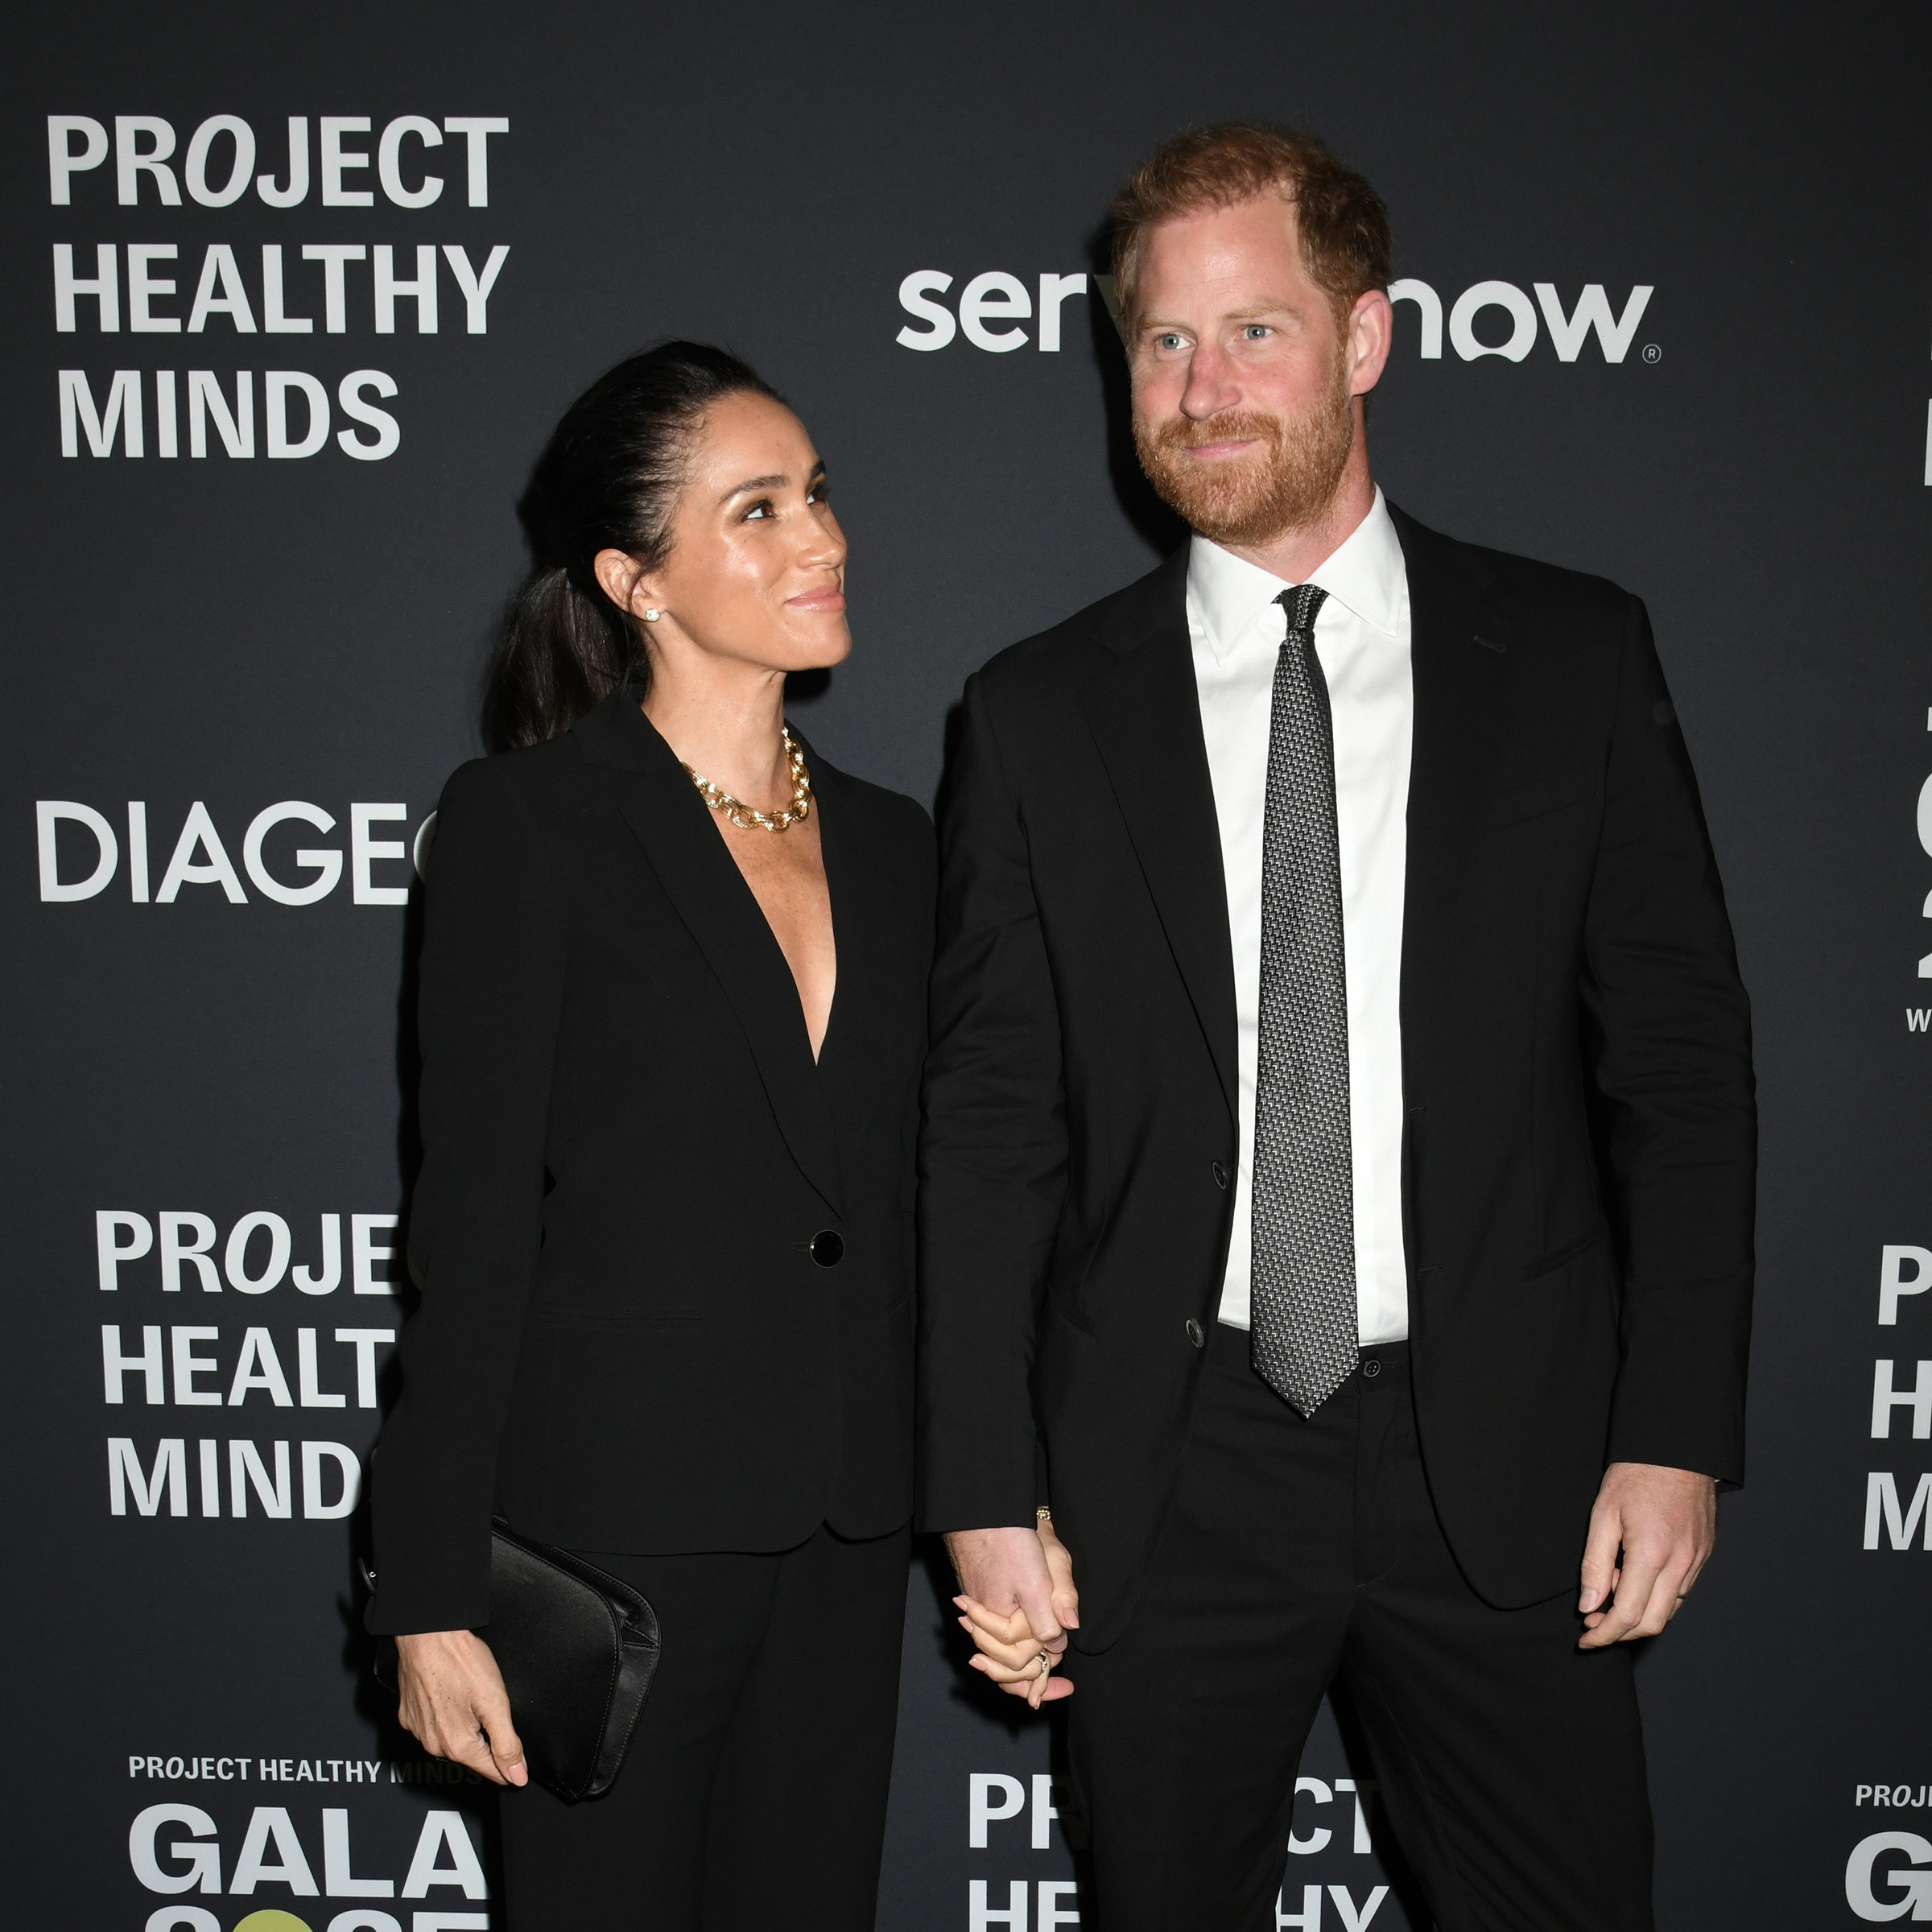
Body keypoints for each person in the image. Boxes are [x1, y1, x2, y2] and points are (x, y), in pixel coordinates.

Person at [919, 124, 1755, 1931]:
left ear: (1367, 340)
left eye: (1255, 332)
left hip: (1514, 1463)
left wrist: (1672, 1431)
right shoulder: (1040, 712)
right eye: (1161, 342)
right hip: (1168, 1466)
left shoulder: (1576, 656)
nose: (1202, 390)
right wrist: (984, 1490)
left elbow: (1677, 1076)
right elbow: (992, 1128)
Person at [365, 341, 934, 1932]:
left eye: (816, 494)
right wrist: (426, 1599)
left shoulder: (902, 846)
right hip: (612, 1543)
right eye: (756, 510)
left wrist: (988, 1489)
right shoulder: (529, 827)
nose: (819, 537)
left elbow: (920, 1202)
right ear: (636, 580)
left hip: (844, 1527)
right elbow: (470, 1229)